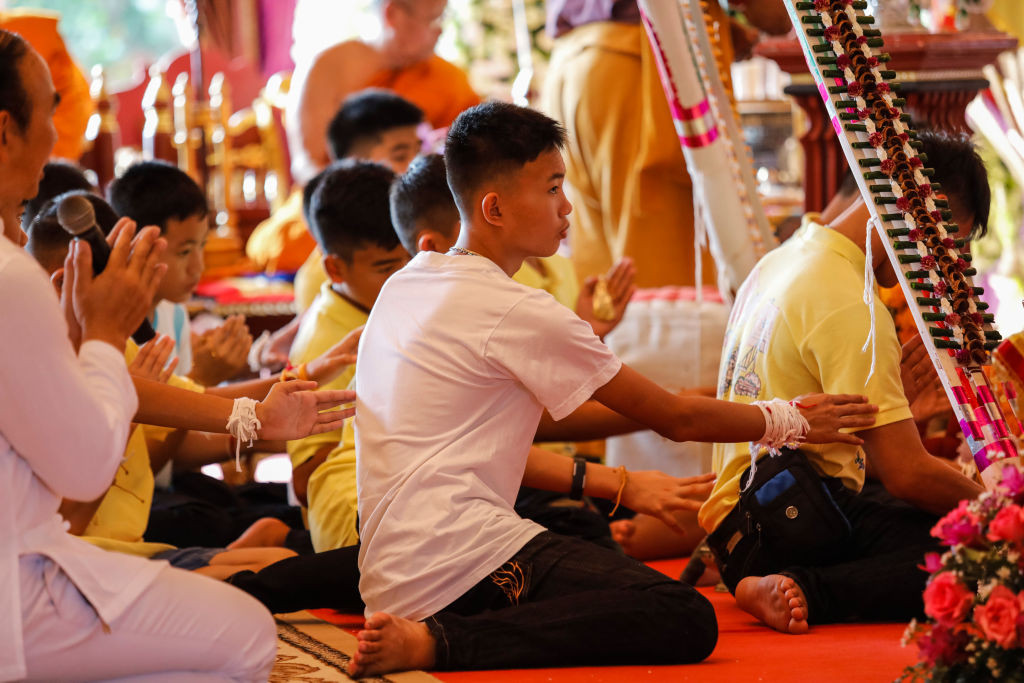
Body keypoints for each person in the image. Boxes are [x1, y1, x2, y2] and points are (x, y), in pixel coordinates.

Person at [348, 101, 876, 676]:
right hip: (455, 564)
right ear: (493, 207)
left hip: (384, 570)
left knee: (592, 550)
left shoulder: (407, 284)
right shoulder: (514, 308)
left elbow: (494, 432)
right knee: (680, 614)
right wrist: (790, 419)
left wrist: (618, 481)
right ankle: (441, 644)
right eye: (551, 188)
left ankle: (434, 632)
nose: (566, 207)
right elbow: (677, 420)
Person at [699, 130, 991, 635]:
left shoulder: (787, 257)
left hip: (744, 519)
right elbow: (905, 474)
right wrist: (1002, 505)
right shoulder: (850, 300)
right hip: (788, 523)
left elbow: (851, 448)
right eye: (947, 246)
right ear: (922, 209)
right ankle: (807, 588)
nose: (939, 270)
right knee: (989, 559)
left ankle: (757, 577)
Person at [540, 0, 790, 288]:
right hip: (637, 64)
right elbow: (774, 14)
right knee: (660, 278)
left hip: (573, 64)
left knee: (605, 280)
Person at [291, 160, 408, 551]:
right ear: (335, 268)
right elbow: (307, 478)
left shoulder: (389, 308)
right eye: (387, 267)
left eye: (414, 257)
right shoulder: (325, 345)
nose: (406, 276)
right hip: (356, 524)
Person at [286, 0, 479, 186]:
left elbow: (471, 151)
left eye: (443, 17)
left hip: (425, 204)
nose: (440, 30)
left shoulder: (449, 78)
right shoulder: (329, 68)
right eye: (432, 19)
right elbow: (306, 164)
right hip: (339, 202)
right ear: (392, 14)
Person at [290, 90, 424, 311]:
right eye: (400, 156)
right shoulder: (323, 280)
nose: (416, 165)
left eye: (419, 152)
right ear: (355, 167)